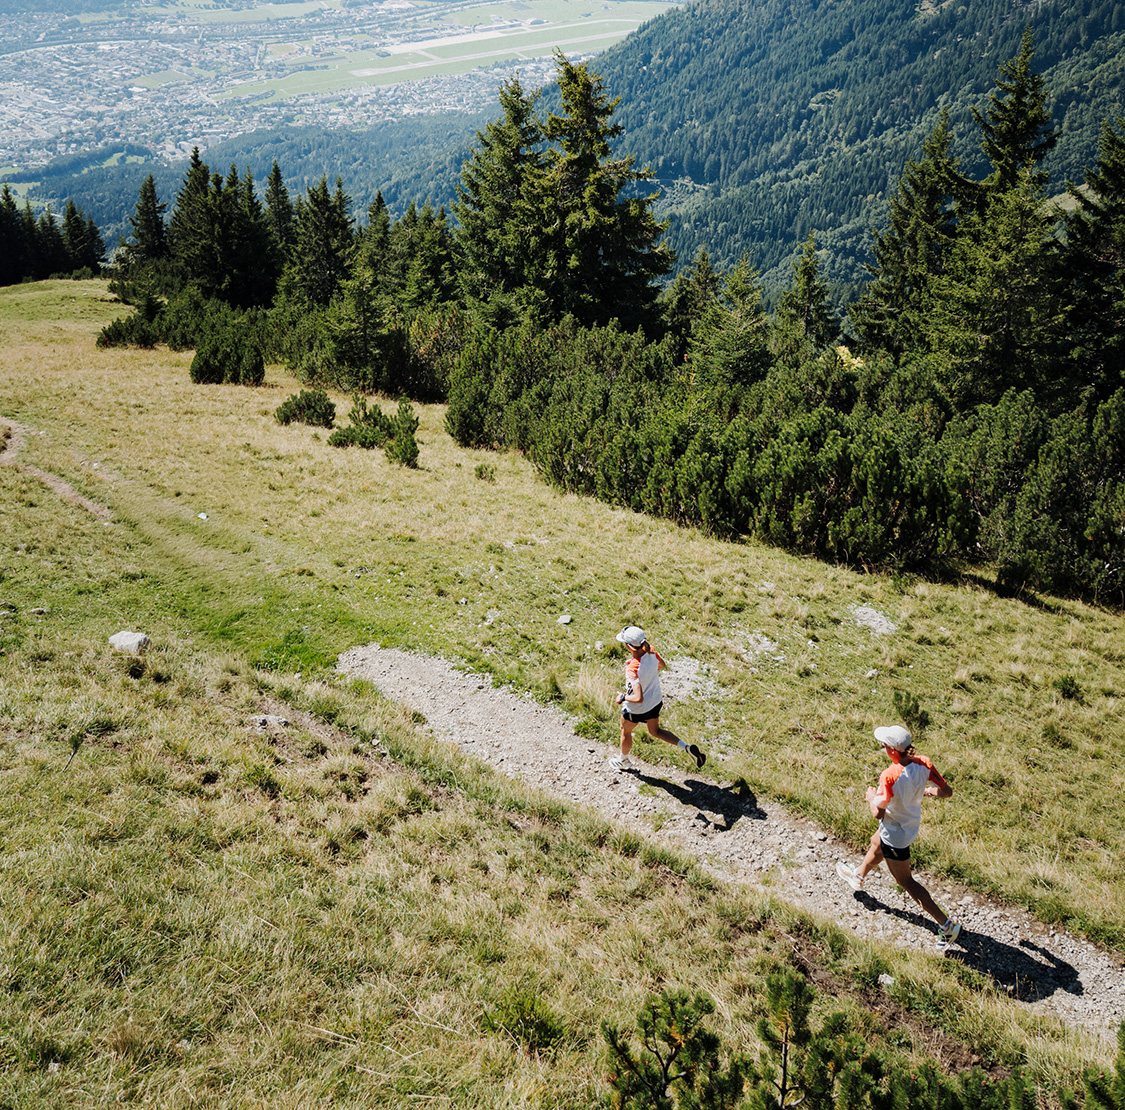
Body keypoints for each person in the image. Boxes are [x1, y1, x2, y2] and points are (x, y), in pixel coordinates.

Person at [836, 724, 962, 948]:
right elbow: (947, 792)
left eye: (884, 745)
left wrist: (870, 797)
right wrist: (929, 791)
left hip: (896, 835)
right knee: (877, 841)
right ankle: (858, 875)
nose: (883, 748)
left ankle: (946, 925)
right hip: (909, 824)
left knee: (905, 881)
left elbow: (878, 813)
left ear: (893, 750)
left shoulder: (889, 776)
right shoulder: (924, 763)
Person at [609, 626, 705, 772]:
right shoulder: (651, 651)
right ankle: (686, 747)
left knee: (625, 731)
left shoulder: (632, 669)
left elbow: (638, 698)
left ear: (629, 647)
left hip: (636, 709)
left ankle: (623, 760)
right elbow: (662, 665)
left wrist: (622, 697)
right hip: (654, 702)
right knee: (655, 731)